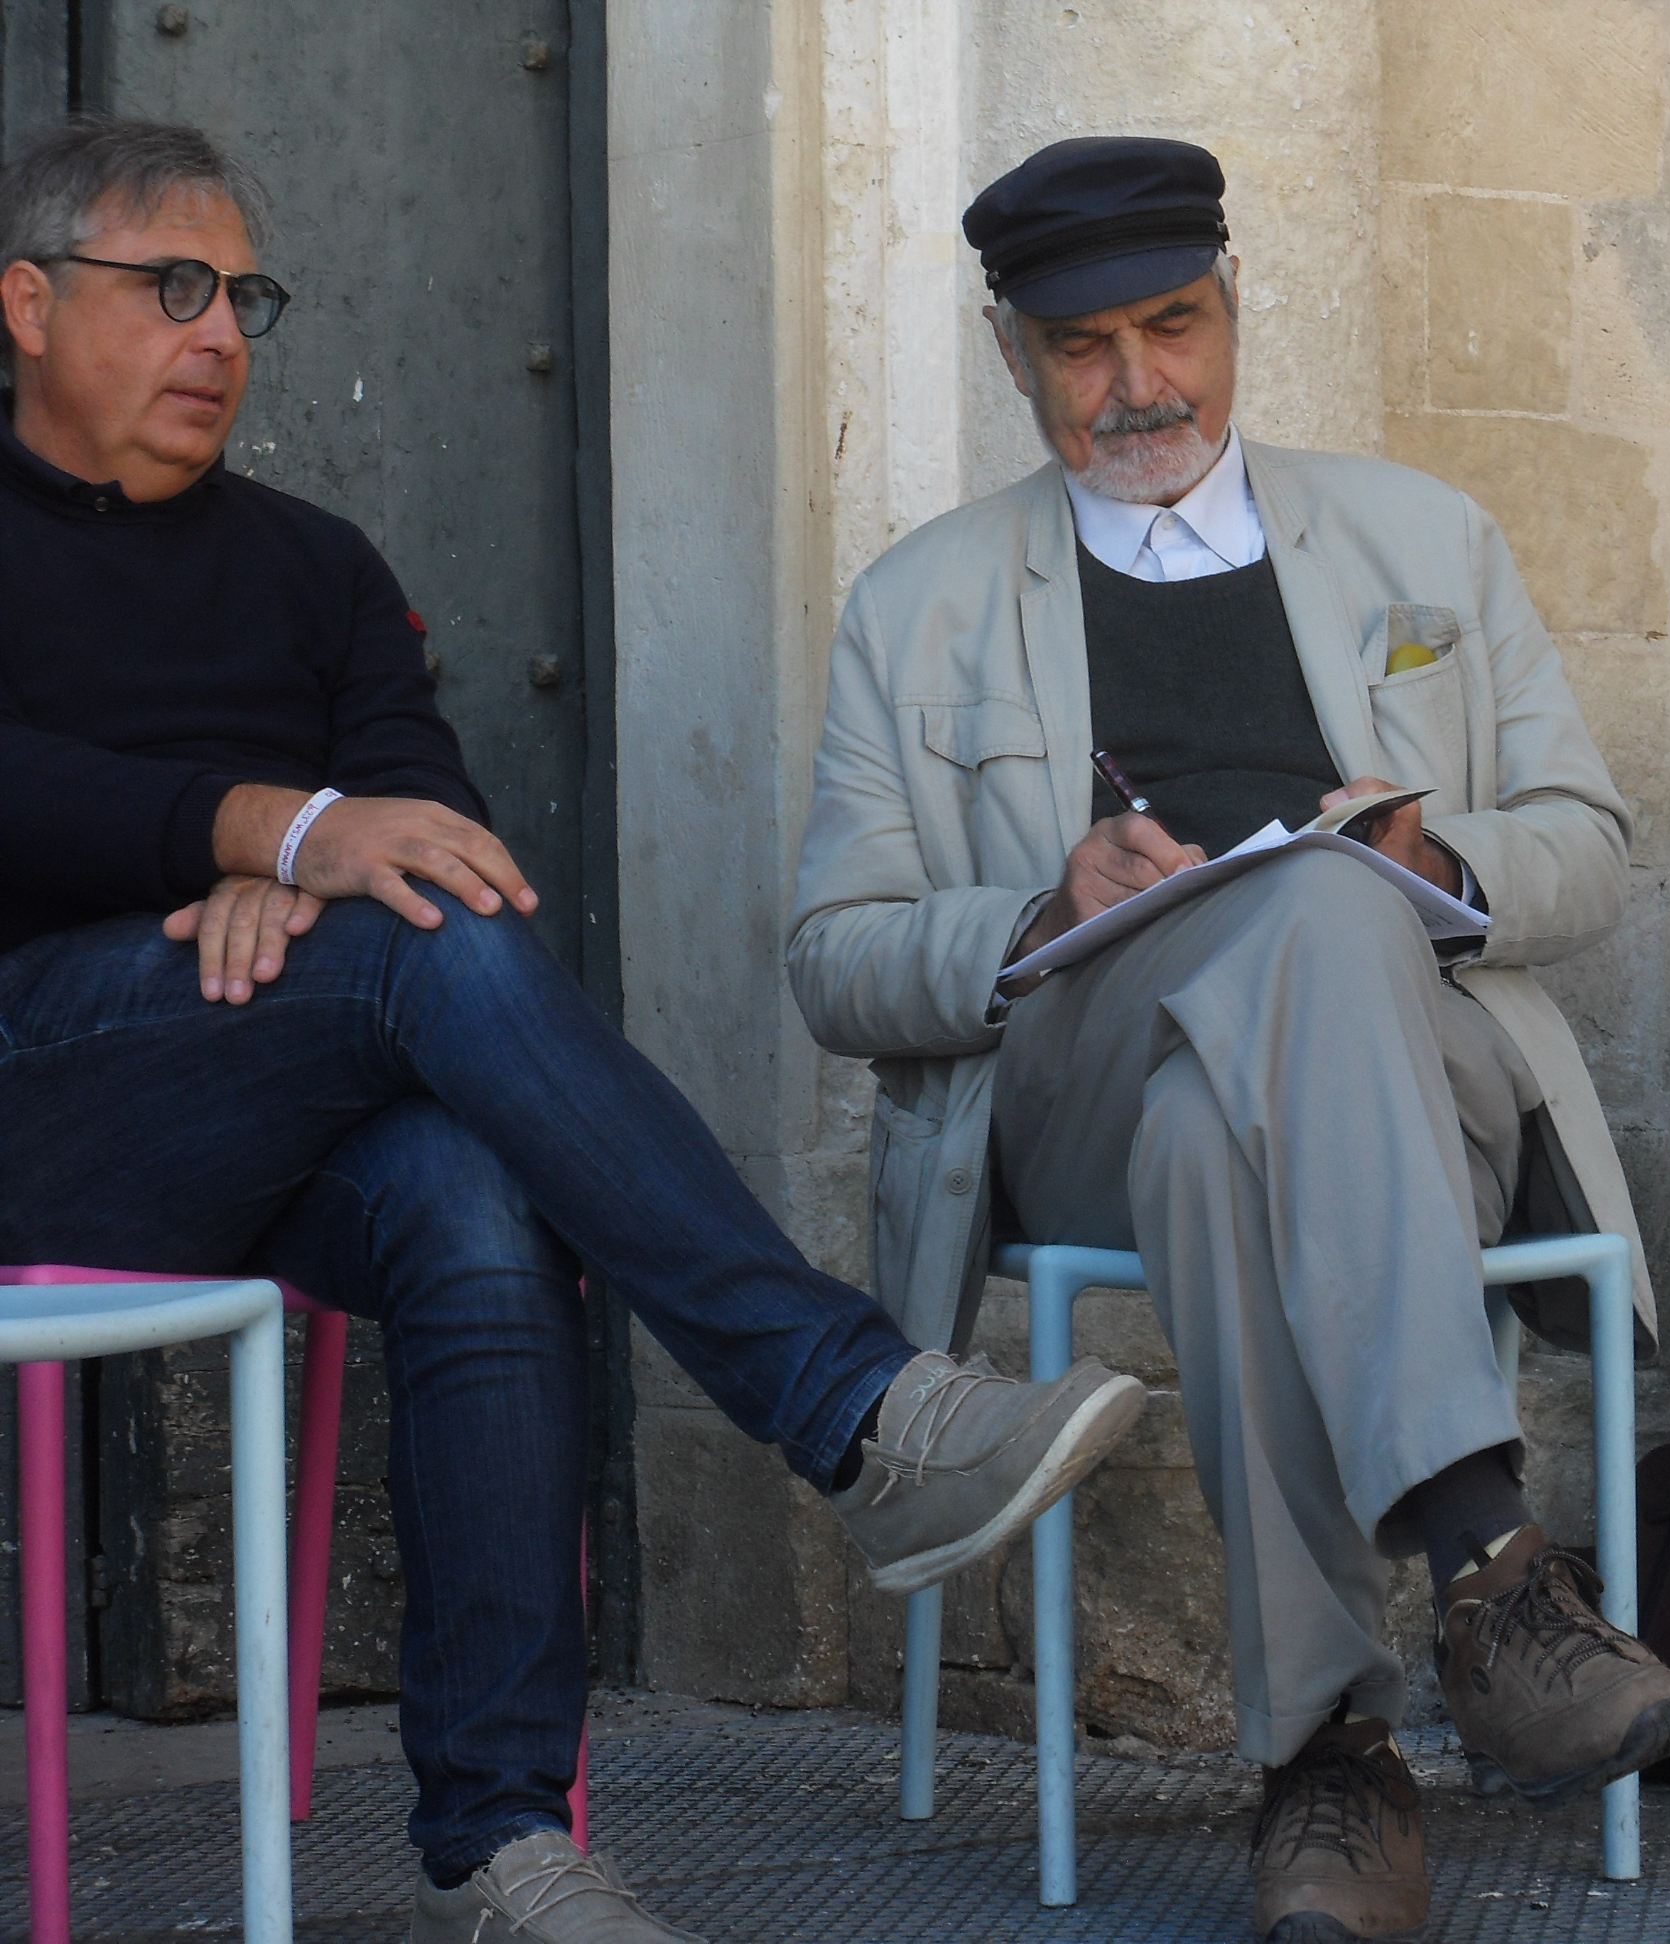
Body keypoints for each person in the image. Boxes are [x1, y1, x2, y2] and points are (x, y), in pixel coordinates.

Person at [0, 115, 1147, 1944]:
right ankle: (857, 1413)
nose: (221, 333)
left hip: (260, 1094)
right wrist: (262, 830)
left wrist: (304, 876)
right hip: (45, 1098)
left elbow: (418, 801)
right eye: (175, 288)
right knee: (410, 948)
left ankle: (505, 1847)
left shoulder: (316, 563)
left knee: (472, 1182)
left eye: (245, 296)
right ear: (31, 304)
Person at [790, 136, 1670, 1943]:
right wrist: (1042, 912)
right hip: (1076, 1079)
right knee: (1283, 933)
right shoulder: (918, 604)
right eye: (1082, 347)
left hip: (1401, 1077)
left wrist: (1431, 858)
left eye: (1176, 325)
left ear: (1230, 313)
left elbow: (1590, 848)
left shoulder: (1424, 537)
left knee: (1249, 1081)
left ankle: (1328, 1762)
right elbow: (835, 962)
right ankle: (1487, 1562)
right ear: (1011, 355)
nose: (1142, 382)